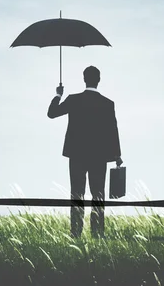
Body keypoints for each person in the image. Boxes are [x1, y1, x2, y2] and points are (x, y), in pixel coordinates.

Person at [47, 65, 123, 239]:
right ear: (99, 80)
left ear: (84, 79)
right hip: (99, 157)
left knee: (76, 194)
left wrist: (58, 94)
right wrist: (117, 155)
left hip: (77, 156)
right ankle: (97, 234)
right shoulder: (107, 103)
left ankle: (76, 233)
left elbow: (52, 113)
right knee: (98, 195)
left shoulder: (73, 100)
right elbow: (113, 130)